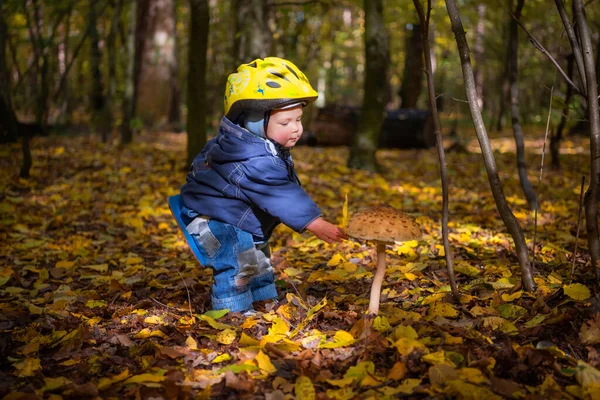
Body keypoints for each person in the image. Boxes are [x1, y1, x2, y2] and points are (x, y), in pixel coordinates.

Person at [178, 57, 346, 314]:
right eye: (285, 122)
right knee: (239, 263)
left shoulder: (253, 145)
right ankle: (231, 312)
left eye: (298, 119)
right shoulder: (251, 156)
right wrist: (314, 222)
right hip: (217, 220)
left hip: (237, 216)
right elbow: (280, 193)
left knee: (259, 257)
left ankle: (263, 298)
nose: (296, 129)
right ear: (255, 120)